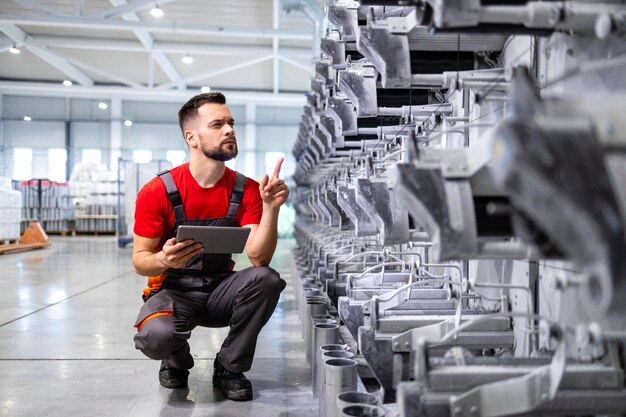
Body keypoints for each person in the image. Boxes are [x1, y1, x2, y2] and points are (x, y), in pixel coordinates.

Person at [131, 92, 289, 401]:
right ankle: (175, 358)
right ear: (191, 137)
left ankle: (229, 367)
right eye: (217, 124)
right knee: (155, 337)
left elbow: (258, 257)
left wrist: (271, 209)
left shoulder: (247, 189)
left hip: (220, 290)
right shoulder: (158, 191)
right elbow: (140, 261)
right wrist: (163, 259)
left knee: (267, 278)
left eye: (231, 123)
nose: (229, 129)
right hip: (175, 289)